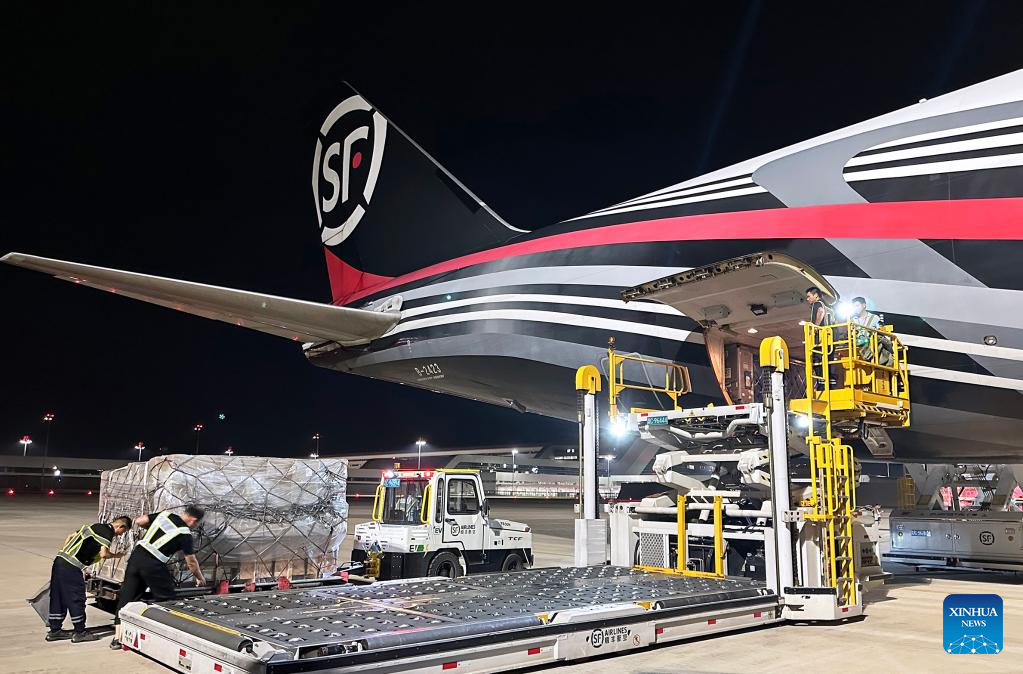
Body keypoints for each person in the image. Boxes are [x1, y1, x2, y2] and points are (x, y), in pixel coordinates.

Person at [110, 505, 207, 650]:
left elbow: (139, 521)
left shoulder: (165, 515)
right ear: (193, 520)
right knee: (167, 598)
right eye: (196, 524)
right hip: (153, 563)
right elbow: (191, 562)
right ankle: (167, 635)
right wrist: (199, 577)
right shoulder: (185, 533)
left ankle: (117, 638)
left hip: (136, 557)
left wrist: (154, 530)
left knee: (127, 597)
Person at [47, 516, 131, 643]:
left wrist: (66, 554)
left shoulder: (95, 526)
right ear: (120, 526)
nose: (120, 535)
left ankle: (55, 631)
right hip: (71, 567)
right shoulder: (108, 532)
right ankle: (80, 632)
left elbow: (70, 536)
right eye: (122, 532)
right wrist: (116, 555)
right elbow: (104, 554)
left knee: (58, 596)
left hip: (60, 561)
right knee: (76, 598)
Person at [805, 287, 837, 389]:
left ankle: (822, 385)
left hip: (821, 339)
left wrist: (815, 327)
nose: (807, 299)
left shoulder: (817, 304)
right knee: (829, 363)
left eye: (809, 296)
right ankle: (830, 385)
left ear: (816, 295)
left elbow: (820, 311)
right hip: (830, 339)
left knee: (818, 363)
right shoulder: (829, 306)